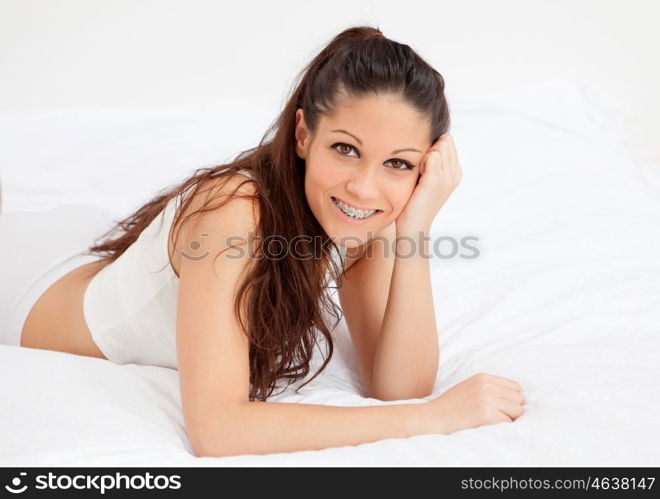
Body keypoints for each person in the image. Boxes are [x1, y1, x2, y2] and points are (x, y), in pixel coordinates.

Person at [1, 25, 524, 457]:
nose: (365, 186)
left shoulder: (365, 217)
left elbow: (396, 385)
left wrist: (415, 226)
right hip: (29, 287)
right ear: (303, 135)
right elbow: (219, 432)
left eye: (398, 163)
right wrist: (431, 420)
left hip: (87, 249)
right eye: (345, 148)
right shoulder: (236, 216)